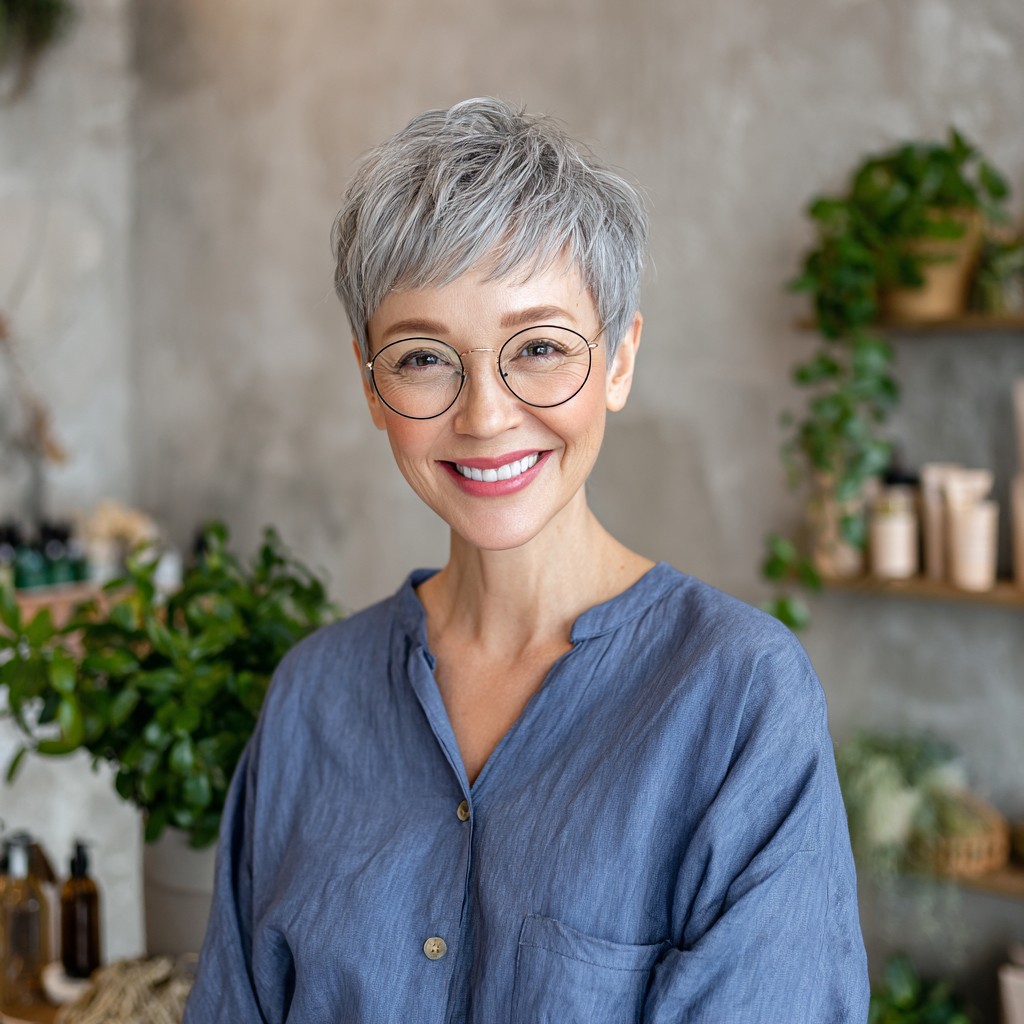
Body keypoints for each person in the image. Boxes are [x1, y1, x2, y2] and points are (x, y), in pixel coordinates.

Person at [184, 97, 868, 1022]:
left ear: (620, 359)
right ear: (372, 384)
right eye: (425, 359)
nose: (486, 415)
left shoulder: (739, 698)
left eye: (540, 348)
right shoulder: (312, 698)